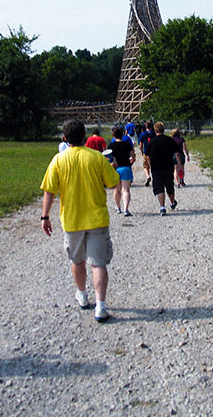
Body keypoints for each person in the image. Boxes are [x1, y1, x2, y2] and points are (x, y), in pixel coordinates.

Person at [40, 119, 120, 322]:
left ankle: (82, 295)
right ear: (84, 137)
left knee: (77, 260)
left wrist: (45, 216)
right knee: (98, 264)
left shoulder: (58, 160)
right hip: (96, 219)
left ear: (65, 139)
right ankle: (101, 306)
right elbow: (112, 183)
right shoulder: (96, 158)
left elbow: (49, 190)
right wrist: (113, 167)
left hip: (72, 219)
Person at [145, 122, 181, 216]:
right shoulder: (169, 140)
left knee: (159, 188)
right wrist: (179, 165)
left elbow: (147, 155)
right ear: (163, 129)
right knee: (169, 186)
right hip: (168, 167)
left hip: (156, 168)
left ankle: (162, 207)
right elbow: (177, 153)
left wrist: (150, 165)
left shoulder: (152, 141)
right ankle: (172, 202)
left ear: (155, 130)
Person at [109, 126, 136, 216]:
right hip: (126, 167)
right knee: (126, 190)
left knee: (117, 189)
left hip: (116, 169)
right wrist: (132, 160)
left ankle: (118, 207)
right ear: (123, 134)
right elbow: (133, 154)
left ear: (113, 135)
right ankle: (126, 209)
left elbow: (108, 158)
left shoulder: (111, 146)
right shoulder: (127, 144)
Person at [139, 121, 156, 187]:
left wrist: (142, 151)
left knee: (146, 166)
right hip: (153, 152)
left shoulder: (143, 134)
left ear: (146, 126)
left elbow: (141, 144)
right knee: (153, 165)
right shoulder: (154, 133)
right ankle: (154, 178)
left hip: (146, 151)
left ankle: (148, 176)